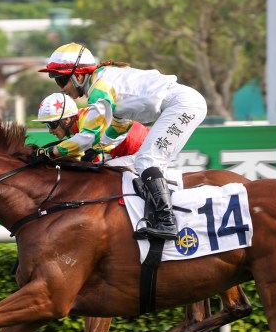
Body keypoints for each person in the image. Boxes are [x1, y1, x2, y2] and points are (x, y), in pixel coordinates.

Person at [38, 42, 208, 240]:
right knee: (143, 162)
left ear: (78, 75)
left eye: (61, 80)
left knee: (146, 161)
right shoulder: (103, 81)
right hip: (181, 105)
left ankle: (167, 222)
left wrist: (51, 153)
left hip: (182, 106)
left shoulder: (98, 89)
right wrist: (100, 148)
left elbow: (88, 135)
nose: (61, 88)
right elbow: (120, 126)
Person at [32, 92, 149, 162]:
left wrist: (50, 153)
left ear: (66, 119)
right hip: (135, 149)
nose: (50, 131)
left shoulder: (86, 124)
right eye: (47, 125)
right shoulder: (81, 123)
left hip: (140, 150)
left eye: (52, 125)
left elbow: (92, 162)